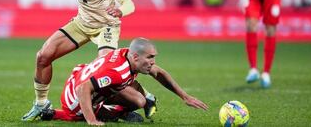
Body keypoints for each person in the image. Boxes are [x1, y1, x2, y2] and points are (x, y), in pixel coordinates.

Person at [21, 0, 157, 121]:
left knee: (104, 75)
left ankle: (140, 100)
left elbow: (129, 4)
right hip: (82, 22)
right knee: (43, 56)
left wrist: (120, 11)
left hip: (106, 26)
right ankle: (41, 104)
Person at [39, 38, 208, 126]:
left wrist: (185, 97)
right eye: (150, 58)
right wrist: (91, 120)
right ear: (136, 56)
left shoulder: (127, 54)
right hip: (76, 98)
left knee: (138, 96)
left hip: (80, 77)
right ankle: (61, 113)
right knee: (137, 99)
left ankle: (120, 110)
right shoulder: (117, 72)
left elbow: (159, 73)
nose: (153, 62)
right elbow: (83, 89)